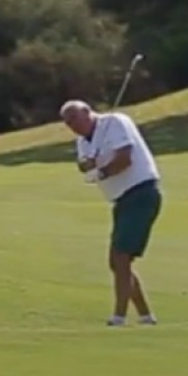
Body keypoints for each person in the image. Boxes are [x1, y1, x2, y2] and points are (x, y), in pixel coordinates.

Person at [62, 99, 163, 326]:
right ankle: (146, 316)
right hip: (121, 200)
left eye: (75, 119)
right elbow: (83, 163)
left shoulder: (114, 122)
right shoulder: (83, 141)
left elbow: (125, 158)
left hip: (141, 192)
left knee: (120, 257)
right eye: (68, 123)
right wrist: (88, 165)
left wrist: (102, 172)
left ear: (88, 112)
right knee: (117, 262)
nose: (72, 126)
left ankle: (119, 317)